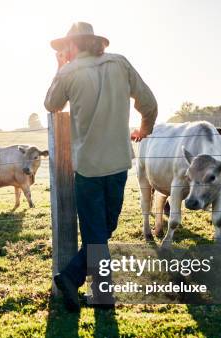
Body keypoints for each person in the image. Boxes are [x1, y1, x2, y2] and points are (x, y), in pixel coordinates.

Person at [44, 22, 158, 312]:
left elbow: (52, 104)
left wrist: (59, 69)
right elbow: (149, 103)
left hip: (89, 168)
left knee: (99, 230)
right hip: (119, 162)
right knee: (104, 228)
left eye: (64, 47)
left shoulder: (69, 72)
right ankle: (102, 294)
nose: (63, 53)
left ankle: (73, 278)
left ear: (73, 45)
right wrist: (144, 129)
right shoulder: (120, 63)